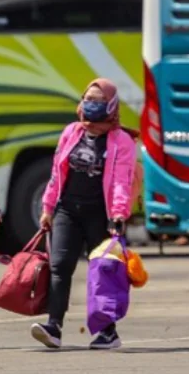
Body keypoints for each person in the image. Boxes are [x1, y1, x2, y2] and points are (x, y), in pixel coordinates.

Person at [30, 78, 138, 350]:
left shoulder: (121, 141)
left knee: (102, 271)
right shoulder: (71, 132)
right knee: (60, 265)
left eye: (99, 101)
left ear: (111, 105)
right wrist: (48, 207)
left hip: (99, 213)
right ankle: (53, 326)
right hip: (68, 209)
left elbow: (121, 182)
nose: (92, 105)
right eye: (88, 99)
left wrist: (118, 214)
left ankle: (107, 332)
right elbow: (57, 172)